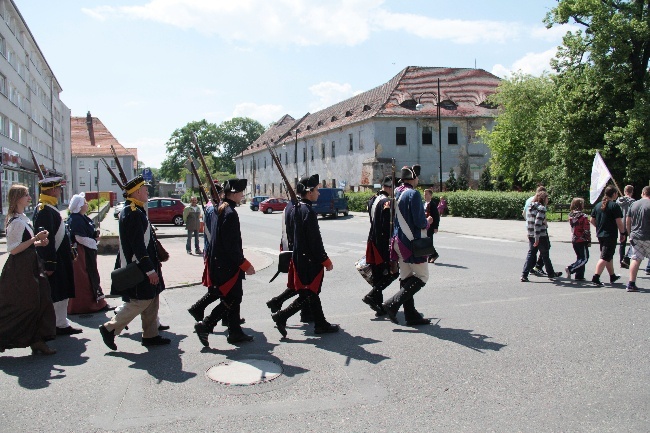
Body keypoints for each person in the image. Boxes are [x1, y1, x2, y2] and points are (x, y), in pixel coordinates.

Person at [99, 175, 170, 350]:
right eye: (145, 189)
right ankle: (110, 328)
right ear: (137, 192)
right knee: (141, 300)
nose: (147, 191)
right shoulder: (132, 212)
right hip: (139, 266)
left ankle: (150, 335)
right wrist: (149, 270)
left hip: (147, 263)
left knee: (152, 299)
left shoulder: (136, 210)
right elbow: (138, 247)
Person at [271, 174, 339, 338]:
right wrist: (325, 260)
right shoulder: (307, 210)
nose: (319, 193)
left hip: (301, 257)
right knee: (309, 293)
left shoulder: (297, 208)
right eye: (317, 190)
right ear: (309, 192)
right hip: (309, 260)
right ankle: (282, 316)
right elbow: (314, 241)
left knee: (309, 294)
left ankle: (320, 324)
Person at [194, 178, 255, 346]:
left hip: (221, 263)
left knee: (233, 298)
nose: (242, 195)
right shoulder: (229, 213)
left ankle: (235, 332)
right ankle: (206, 325)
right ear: (234, 194)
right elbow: (230, 245)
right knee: (233, 298)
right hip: (227, 265)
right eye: (241, 192)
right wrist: (244, 264)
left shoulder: (222, 209)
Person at [0, 184, 56, 355]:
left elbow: (25, 245)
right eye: (26, 195)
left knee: (40, 300)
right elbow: (14, 249)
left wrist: (38, 242)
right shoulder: (16, 222)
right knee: (26, 305)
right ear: (17, 198)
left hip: (30, 263)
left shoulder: (23, 218)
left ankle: (37, 340)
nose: (30, 198)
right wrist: (34, 240)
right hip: (20, 268)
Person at [382, 165, 433, 326]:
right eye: (417, 177)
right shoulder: (413, 194)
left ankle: (411, 314)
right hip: (410, 241)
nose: (418, 179)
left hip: (398, 241)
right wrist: (428, 221)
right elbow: (419, 221)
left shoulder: (396, 192)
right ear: (412, 178)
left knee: (406, 277)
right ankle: (392, 304)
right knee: (422, 277)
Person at [33, 177, 81, 336]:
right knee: (57, 292)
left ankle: (61, 322)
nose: (60, 191)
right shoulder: (44, 210)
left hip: (60, 257)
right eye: (58, 189)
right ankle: (55, 324)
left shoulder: (49, 208)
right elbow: (46, 239)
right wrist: (50, 263)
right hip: (54, 259)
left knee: (62, 291)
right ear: (52, 190)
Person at [265, 196, 314, 323]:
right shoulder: (295, 207)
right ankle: (286, 310)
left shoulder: (289, 206)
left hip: (290, 247)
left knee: (299, 285)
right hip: (297, 249)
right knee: (305, 286)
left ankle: (278, 302)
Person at [67, 193, 109, 314]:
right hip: (81, 253)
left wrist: (94, 236)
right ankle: (85, 306)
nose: (86, 204)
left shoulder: (82, 217)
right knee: (84, 278)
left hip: (86, 251)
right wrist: (94, 241)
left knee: (91, 276)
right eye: (85, 203)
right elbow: (79, 237)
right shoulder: (76, 219)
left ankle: (98, 303)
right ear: (79, 206)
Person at [361, 176, 398, 316]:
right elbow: (387, 227)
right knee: (391, 272)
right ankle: (372, 295)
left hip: (372, 238)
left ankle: (377, 304)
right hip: (381, 242)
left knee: (377, 274)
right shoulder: (386, 202)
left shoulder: (373, 199)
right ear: (389, 188)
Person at [521, 190, 562, 282]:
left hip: (530, 234)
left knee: (531, 254)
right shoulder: (541, 208)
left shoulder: (530, 206)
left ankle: (524, 274)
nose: (548, 200)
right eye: (547, 198)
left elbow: (529, 220)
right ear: (543, 199)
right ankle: (551, 274)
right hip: (540, 235)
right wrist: (537, 238)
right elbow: (537, 223)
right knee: (545, 255)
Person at [590, 186, 625, 287]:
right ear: (613, 194)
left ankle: (612, 275)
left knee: (608, 256)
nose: (617, 195)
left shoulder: (598, 205)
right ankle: (596, 277)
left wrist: (600, 226)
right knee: (605, 257)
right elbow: (619, 222)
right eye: (616, 193)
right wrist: (623, 233)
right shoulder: (614, 206)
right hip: (610, 235)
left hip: (600, 234)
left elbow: (592, 220)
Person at [624, 186, 650, 292]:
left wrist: (630, 234)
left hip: (635, 236)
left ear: (643, 193)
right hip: (648, 236)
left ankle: (631, 283)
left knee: (635, 259)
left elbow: (627, 220)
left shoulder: (634, 204)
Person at [523, 186, 548, 276]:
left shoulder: (529, 201)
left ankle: (529, 270)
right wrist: (545, 223)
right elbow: (539, 220)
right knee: (545, 249)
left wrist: (528, 222)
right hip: (539, 230)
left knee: (532, 251)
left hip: (529, 228)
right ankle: (539, 267)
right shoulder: (540, 205)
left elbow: (524, 213)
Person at [565, 198, 591, 281]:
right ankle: (571, 268)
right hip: (582, 239)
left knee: (579, 257)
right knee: (584, 258)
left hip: (574, 239)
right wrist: (588, 240)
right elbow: (586, 230)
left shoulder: (571, 216)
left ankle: (579, 275)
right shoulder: (583, 217)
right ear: (581, 205)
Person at [616, 185, 635, 269]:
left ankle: (621, 261)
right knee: (633, 243)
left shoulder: (618, 201)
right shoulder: (632, 202)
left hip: (620, 223)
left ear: (624, 191)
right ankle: (626, 258)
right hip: (630, 224)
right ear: (632, 192)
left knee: (622, 243)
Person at [423, 188, 440, 263]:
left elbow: (436, 216)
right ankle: (430, 256)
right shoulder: (424, 203)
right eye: (424, 194)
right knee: (427, 241)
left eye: (426, 194)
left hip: (431, 225)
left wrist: (436, 227)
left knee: (428, 241)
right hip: (425, 224)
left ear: (430, 195)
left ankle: (434, 254)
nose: (425, 195)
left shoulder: (432, 204)